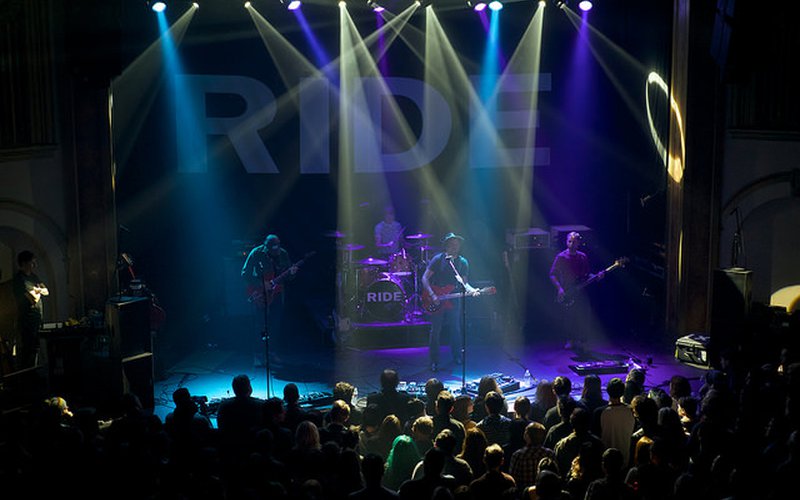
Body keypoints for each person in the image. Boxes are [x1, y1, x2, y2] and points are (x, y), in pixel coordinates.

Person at [421, 233, 479, 371]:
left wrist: (472, 290)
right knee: (436, 330)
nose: (455, 247)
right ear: (446, 246)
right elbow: (425, 278)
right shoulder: (438, 259)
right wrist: (432, 294)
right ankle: (434, 361)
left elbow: (465, 283)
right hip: (436, 298)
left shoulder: (462, 262)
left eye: (457, 244)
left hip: (453, 299)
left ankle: (457, 356)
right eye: (452, 244)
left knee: (455, 329)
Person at [241, 234, 297, 363]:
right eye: (272, 248)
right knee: (260, 324)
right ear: (266, 246)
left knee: (275, 324)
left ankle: (272, 352)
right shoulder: (256, 253)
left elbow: (287, 276)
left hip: (277, 293)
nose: (275, 250)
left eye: (277, 247)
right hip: (260, 294)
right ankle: (258, 354)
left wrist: (292, 273)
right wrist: (261, 284)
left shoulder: (283, 254)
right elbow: (245, 274)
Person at [549, 231, 602, 352]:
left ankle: (583, 341)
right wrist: (559, 289)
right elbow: (552, 274)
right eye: (570, 241)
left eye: (574, 242)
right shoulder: (561, 257)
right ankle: (570, 339)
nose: (572, 244)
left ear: (578, 243)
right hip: (568, 290)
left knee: (584, 316)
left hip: (582, 291)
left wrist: (597, 276)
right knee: (570, 317)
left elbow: (587, 274)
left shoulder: (583, 256)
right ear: (566, 242)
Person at [12, 250, 49, 369]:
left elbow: (46, 291)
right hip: (27, 321)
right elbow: (32, 300)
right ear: (24, 263)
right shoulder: (19, 279)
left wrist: (36, 291)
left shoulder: (34, 277)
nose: (35, 265)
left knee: (35, 348)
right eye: (32, 263)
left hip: (37, 319)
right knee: (28, 350)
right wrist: (37, 292)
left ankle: (33, 372)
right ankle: (28, 374)